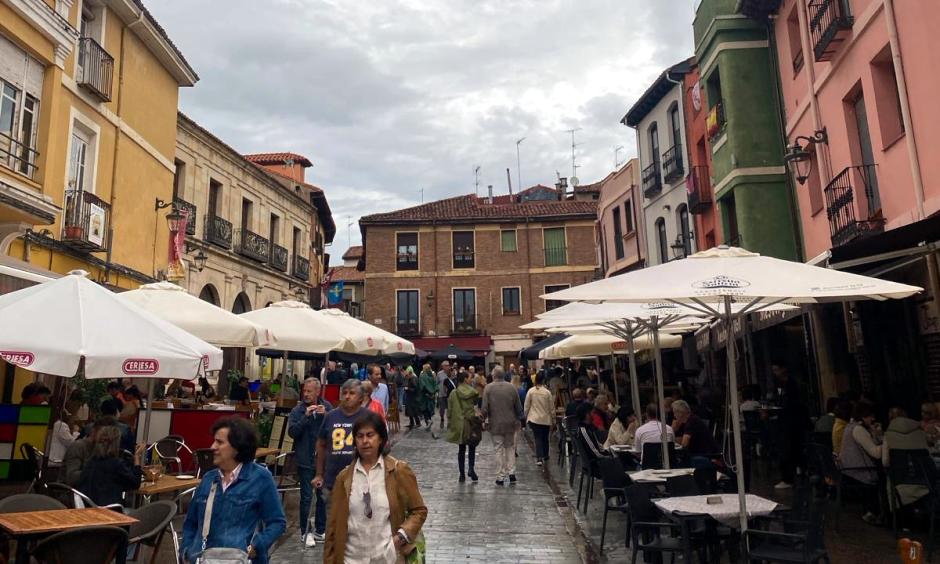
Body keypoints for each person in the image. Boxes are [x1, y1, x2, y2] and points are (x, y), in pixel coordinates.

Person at [323, 411, 428, 564]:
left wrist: (400, 537)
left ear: (381, 439)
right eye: (360, 436)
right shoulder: (344, 478)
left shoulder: (398, 471)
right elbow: (333, 527)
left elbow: (419, 510)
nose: (365, 441)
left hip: (387, 558)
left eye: (370, 435)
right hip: (351, 559)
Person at [181, 417, 286, 563]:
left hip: (240, 559)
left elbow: (277, 522)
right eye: (214, 441)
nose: (212, 447)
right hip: (202, 559)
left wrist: (256, 546)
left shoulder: (260, 478)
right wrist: (186, 551)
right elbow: (190, 522)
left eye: (220, 442)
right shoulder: (209, 479)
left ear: (237, 447)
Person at [313, 380, 369, 521]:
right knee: (335, 523)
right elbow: (321, 444)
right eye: (344, 393)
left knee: (359, 523)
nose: (347, 396)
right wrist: (319, 474)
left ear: (361, 398)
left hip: (361, 481)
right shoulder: (331, 416)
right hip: (333, 480)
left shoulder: (368, 417)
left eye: (352, 393)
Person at [288, 378, 333, 548]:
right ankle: (305, 532)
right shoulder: (297, 410)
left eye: (309, 391)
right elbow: (292, 432)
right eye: (304, 391)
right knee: (306, 497)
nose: (306, 394)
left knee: (322, 496)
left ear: (317, 392)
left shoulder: (327, 407)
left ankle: (320, 530)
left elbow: (335, 429)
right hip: (305, 459)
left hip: (323, 460)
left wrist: (326, 416)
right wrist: (306, 417)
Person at [839, 402, 884, 524]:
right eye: (870, 416)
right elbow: (876, 453)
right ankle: (881, 512)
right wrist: (885, 442)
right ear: (863, 416)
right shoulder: (858, 429)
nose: (873, 419)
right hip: (859, 472)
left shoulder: (849, 427)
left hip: (848, 471)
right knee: (885, 476)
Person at [76, 426, 144, 507]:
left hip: (89, 510)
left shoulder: (90, 462)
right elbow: (135, 483)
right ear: (117, 443)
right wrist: (137, 456)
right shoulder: (117, 464)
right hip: (111, 512)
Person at [482, 366, 523, 486]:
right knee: (510, 447)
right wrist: (520, 419)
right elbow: (518, 406)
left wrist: (483, 419)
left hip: (496, 423)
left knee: (498, 449)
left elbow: (484, 408)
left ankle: (500, 476)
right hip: (510, 422)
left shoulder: (488, 388)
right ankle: (512, 473)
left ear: (494, 376)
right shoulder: (511, 387)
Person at [883, 407, 929, 508]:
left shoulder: (888, 436)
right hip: (926, 482)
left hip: (900, 483)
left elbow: (885, 462)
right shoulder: (920, 433)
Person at [446, 370, 480, 482]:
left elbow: (449, 410)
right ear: (465, 379)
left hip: (459, 425)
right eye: (470, 377)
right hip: (470, 423)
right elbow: (474, 406)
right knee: (472, 446)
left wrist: (450, 423)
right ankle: (471, 468)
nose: (471, 379)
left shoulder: (453, 393)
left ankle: (462, 474)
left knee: (461, 449)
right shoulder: (473, 392)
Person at [672, 399, 720, 467]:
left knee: (677, 462)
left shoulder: (691, 422)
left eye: (674, 413)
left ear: (680, 413)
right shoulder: (692, 419)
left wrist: (672, 430)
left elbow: (684, 444)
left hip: (705, 455)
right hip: (702, 453)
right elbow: (683, 439)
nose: (674, 416)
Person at [524, 371, 554, 466]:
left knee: (537, 437)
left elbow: (527, 406)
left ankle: (539, 457)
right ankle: (546, 455)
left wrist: (525, 416)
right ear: (544, 380)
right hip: (545, 418)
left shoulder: (531, 391)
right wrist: (553, 419)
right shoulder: (547, 393)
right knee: (545, 437)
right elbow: (551, 407)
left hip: (534, 419)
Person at [416, 364, 438, 430]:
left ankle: (428, 421)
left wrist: (427, 393)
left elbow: (422, 386)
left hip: (425, 396)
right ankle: (428, 423)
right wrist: (433, 393)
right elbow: (436, 385)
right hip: (432, 396)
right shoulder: (433, 375)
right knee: (429, 409)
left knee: (424, 409)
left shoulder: (422, 376)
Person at [437, 361, 456, 429]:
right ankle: (442, 419)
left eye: (448, 365)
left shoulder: (452, 373)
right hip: (442, 394)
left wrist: (453, 373)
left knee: (449, 409)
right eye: (446, 365)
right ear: (443, 366)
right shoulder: (439, 374)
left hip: (450, 395)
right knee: (442, 409)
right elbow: (437, 383)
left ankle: (449, 422)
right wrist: (437, 391)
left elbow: (454, 382)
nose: (448, 366)